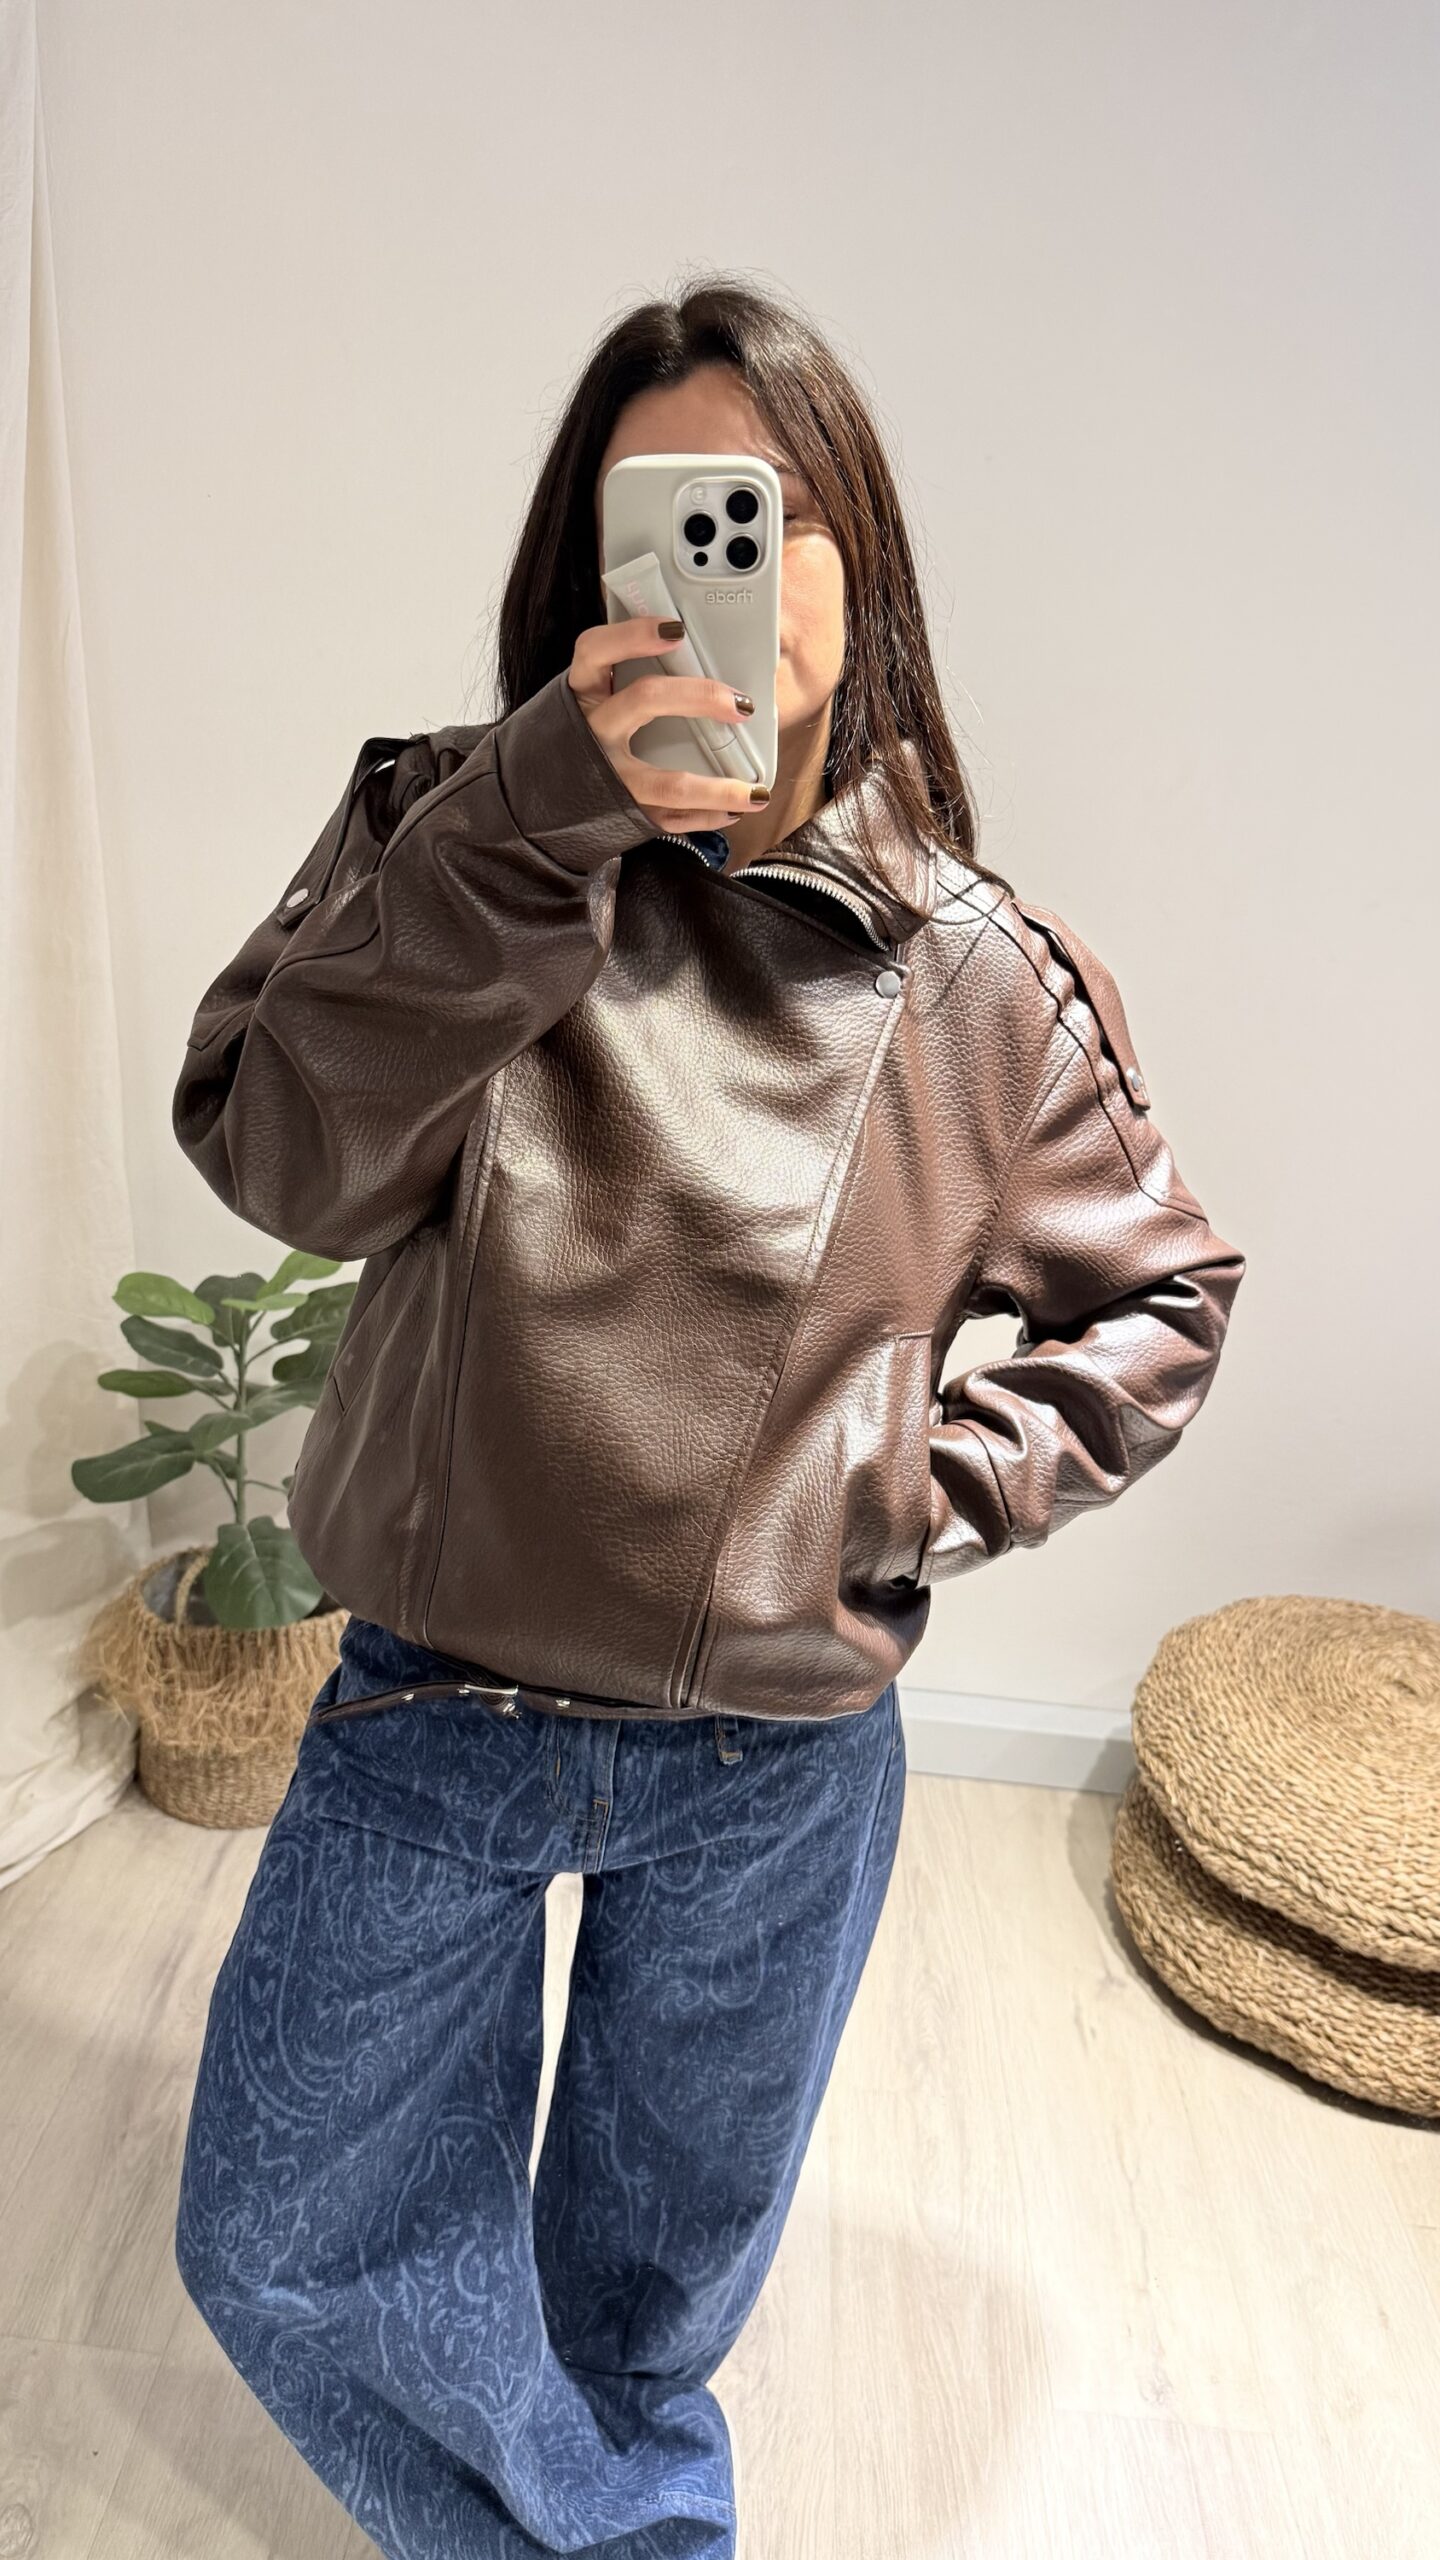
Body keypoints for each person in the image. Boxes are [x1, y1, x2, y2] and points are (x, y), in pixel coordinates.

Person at [170, 276, 1244, 2560]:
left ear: (859, 558)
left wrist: (911, 1486)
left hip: (772, 1758)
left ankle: (613, 2504)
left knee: (639, 2306)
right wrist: (525, 826)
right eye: (654, 519)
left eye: (761, 515)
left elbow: (1162, 1294)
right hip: (435, 1701)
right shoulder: (442, 836)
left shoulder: (973, 973)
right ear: (588, 573)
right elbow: (281, 1159)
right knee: (280, 2233)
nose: (708, 570)